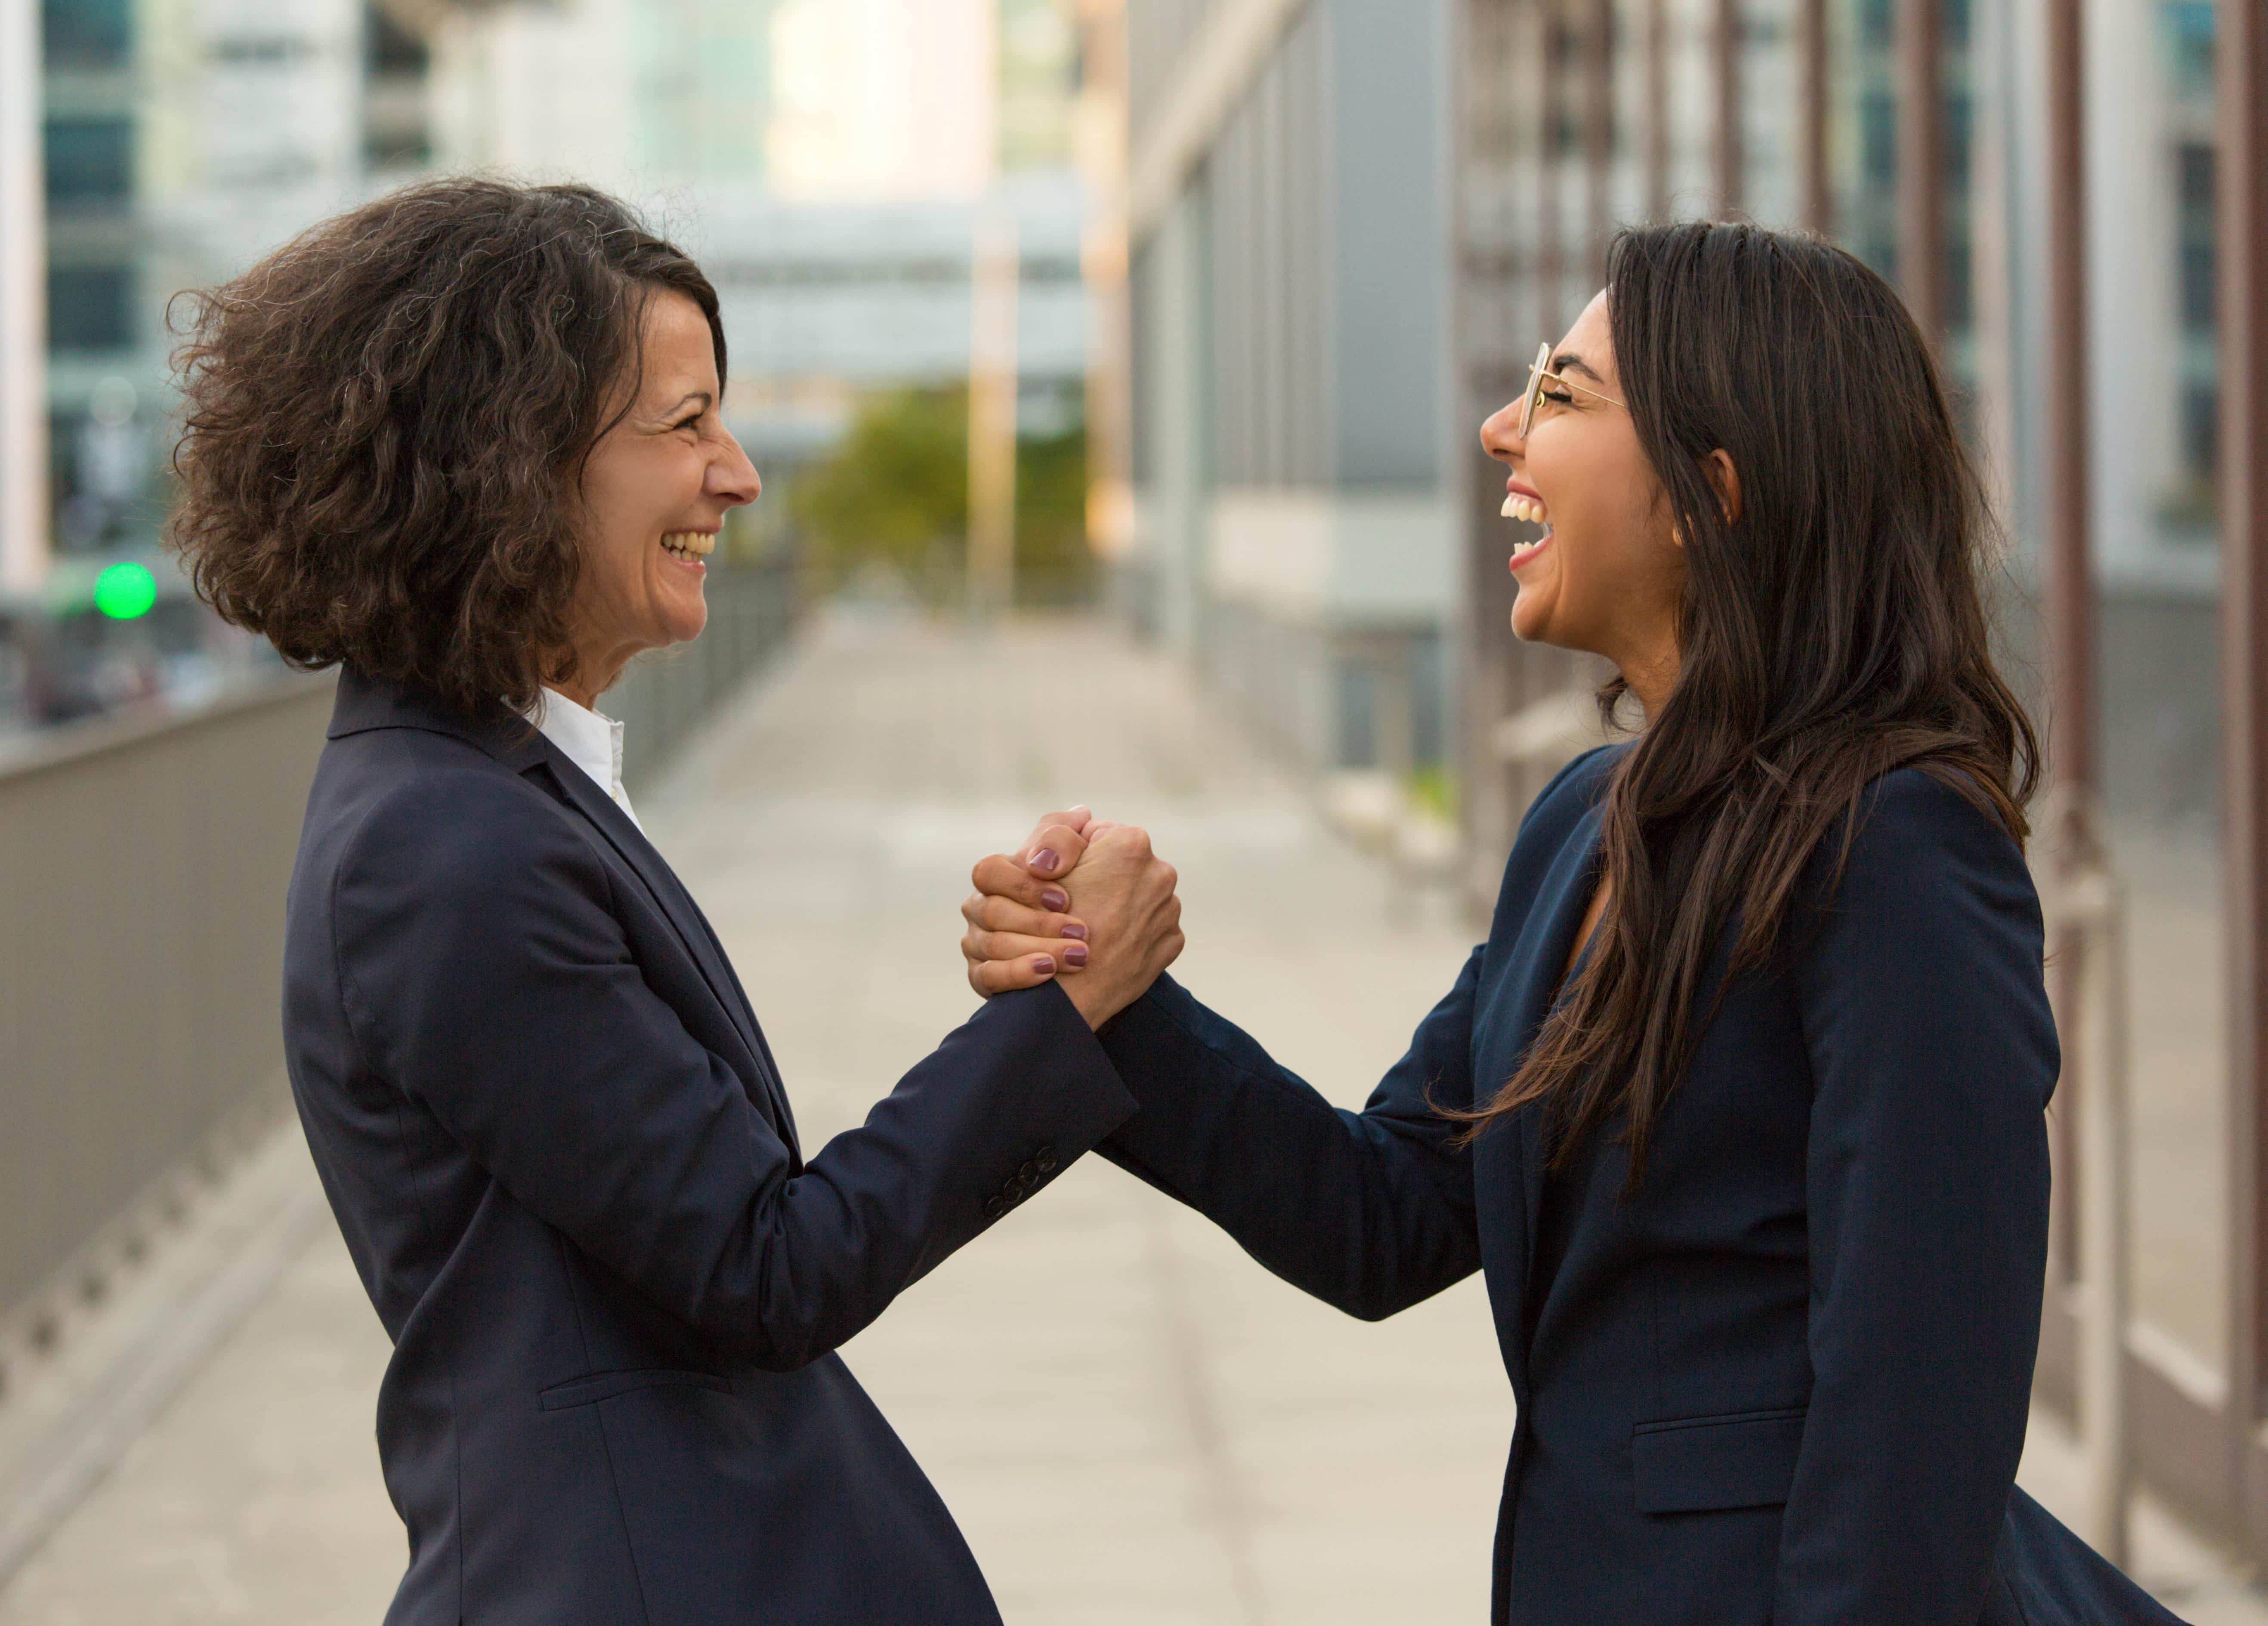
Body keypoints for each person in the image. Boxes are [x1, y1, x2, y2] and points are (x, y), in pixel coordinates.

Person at [963, 221, 2182, 1625]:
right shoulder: (1579, 828)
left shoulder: (1898, 845)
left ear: (1707, 495)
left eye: (1561, 392)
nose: (1502, 428)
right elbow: (1381, 1210)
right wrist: (1111, 997)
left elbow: (1920, 1408)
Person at [165, 178, 1183, 1626]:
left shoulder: (496, 785)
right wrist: (1067, 1006)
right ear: (512, 456)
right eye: (687, 423)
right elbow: (767, 1264)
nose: (739, 474)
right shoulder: (445, 850)